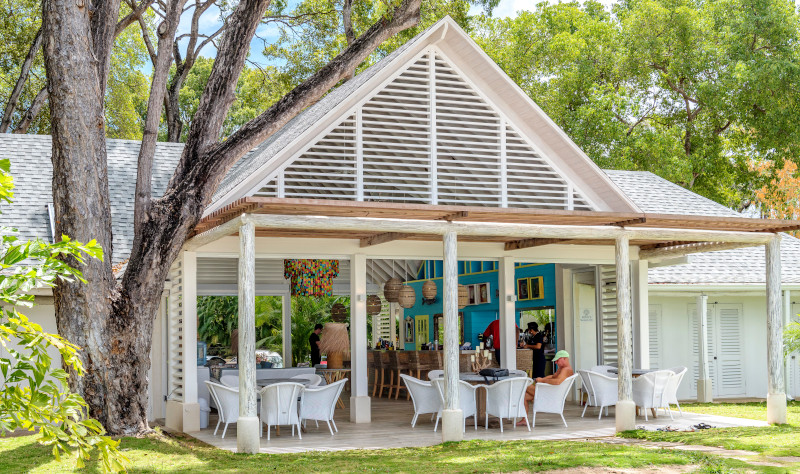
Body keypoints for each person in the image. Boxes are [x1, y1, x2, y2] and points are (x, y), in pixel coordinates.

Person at [518, 350, 573, 424]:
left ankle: (530, 400)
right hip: (548, 392)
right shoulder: (562, 369)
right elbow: (553, 376)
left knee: (524, 385)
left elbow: (557, 382)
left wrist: (542, 381)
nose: (556, 362)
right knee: (524, 396)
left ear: (564, 358)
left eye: (557, 360)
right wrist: (542, 379)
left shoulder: (565, 370)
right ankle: (524, 419)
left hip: (549, 395)